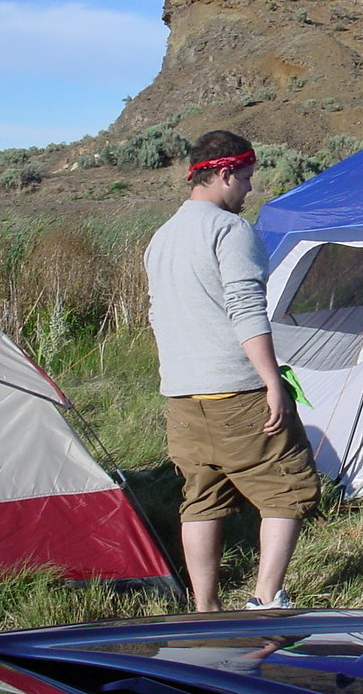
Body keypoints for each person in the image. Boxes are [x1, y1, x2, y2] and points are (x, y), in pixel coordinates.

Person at [144, 129, 320, 612]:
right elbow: (246, 308)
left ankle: (204, 609)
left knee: (200, 499)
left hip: (181, 397)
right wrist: (271, 381)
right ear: (223, 173)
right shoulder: (230, 231)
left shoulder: (162, 238)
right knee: (288, 488)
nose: (249, 189)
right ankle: (266, 598)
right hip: (235, 391)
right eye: (245, 178)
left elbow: (159, 315)